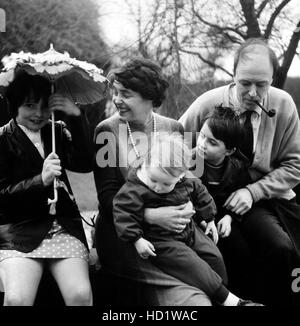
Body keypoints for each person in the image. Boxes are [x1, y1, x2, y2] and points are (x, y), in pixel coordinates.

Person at [179, 37, 300, 305]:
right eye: (245, 83)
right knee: (232, 251)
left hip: (259, 199)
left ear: (273, 78)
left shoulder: (283, 105)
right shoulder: (207, 104)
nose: (253, 93)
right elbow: (170, 145)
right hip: (209, 197)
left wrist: (252, 192)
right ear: (233, 76)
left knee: (281, 247)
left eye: (262, 84)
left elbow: (295, 165)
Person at [93, 57, 213, 305]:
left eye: (125, 94)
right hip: (123, 233)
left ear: (149, 97)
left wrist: (193, 211)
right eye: (115, 92)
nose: (116, 100)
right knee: (193, 297)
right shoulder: (106, 131)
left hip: (176, 232)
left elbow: (189, 179)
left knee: (214, 266)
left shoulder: (176, 128)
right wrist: (150, 216)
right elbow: (106, 197)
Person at [113, 134, 262, 306]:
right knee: (193, 265)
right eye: (153, 180)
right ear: (146, 164)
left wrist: (210, 219)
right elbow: (123, 213)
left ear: (181, 175)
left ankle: (218, 295)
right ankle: (232, 302)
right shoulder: (134, 189)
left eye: (166, 184)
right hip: (160, 240)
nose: (157, 187)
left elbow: (201, 194)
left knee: (214, 257)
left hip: (189, 230)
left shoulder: (187, 179)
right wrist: (137, 239)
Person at [0, 72, 93, 306]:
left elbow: (84, 163)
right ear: (14, 105)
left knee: (80, 294)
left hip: (64, 228)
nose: (38, 114)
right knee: (17, 298)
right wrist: (39, 180)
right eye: (30, 105)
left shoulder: (57, 131)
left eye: (44, 106)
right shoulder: (2, 139)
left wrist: (76, 117)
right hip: (18, 233)